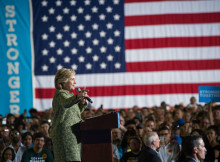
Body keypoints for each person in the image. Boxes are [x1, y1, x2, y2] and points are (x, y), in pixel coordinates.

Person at [51, 68, 88, 162]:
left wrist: (82, 103)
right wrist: (77, 96)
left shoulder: (70, 96)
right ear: (63, 81)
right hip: (65, 134)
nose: (75, 82)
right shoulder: (60, 94)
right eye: (72, 79)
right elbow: (66, 103)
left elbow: (73, 113)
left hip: (73, 133)